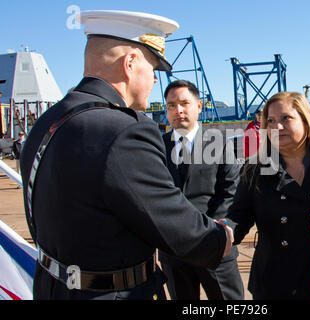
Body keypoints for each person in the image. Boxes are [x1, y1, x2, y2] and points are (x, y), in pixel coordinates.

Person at [19, 10, 233, 300]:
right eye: (153, 69)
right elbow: (168, 219)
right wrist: (219, 238)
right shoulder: (125, 129)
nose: (156, 81)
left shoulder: (47, 121)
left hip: (53, 287)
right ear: (131, 63)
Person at [228, 91, 310, 299]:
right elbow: (238, 218)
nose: (277, 127)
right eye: (271, 121)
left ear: (306, 120)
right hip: (275, 282)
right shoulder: (254, 170)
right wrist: (222, 232)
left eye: (286, 118)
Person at [158, 80, 244, 300]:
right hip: (173, 249)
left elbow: (230, 190)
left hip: (213, 245)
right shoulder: (155, 147)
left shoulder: (219, 144)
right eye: (171, 105)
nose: (178, 110)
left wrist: (209, 232)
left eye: (185, 103)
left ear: (198, 106)